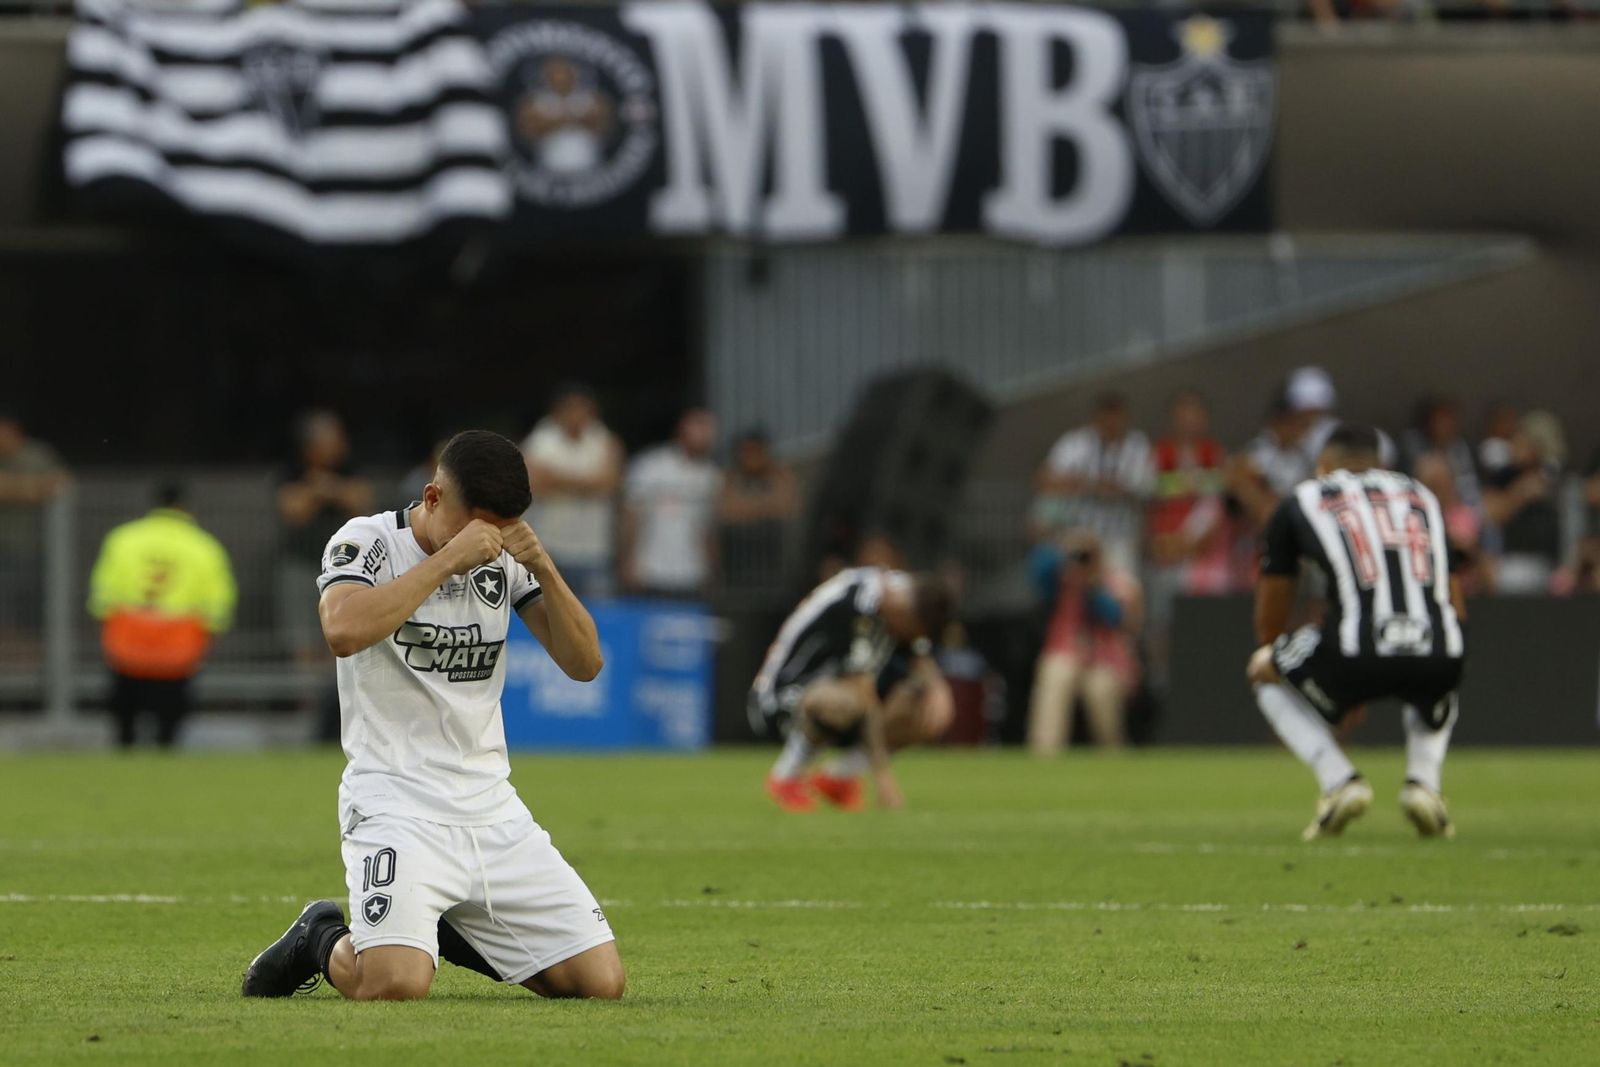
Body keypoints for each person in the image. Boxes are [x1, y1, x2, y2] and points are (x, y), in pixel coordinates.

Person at [241, 431, 622, 1002]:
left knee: (598, 985)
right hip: (395, 803)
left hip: (492, 809)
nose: (490, 542)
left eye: (503, 528)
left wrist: (541, 562)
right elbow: (342, 632)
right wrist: (448, 561)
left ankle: (439, 925)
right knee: (392, 986)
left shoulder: (508, 559)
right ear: (434, 497)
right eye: (479, 527)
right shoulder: (367, 540)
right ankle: (319, 935)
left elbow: (585, 663)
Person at [1247, 424, 1466, 841]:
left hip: (1353, 652)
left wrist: (1320, 684)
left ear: (1324, 466)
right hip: (1440, 653)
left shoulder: (1305, 498)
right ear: (1380, 466)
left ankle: (1339, 781)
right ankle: (1424, 784)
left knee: (1262, 670)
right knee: (1443, 649)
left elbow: (1272, 616)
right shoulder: (1421, 496)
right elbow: (1454, 603)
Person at [750, 567, 954, 811]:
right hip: (782, 698)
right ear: (905, 615)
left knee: (927, 708)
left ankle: (838, 777)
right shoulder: (856, 604)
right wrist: (883, 777)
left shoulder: (905, 599)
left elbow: (925, 669)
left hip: (843, 698)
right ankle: (785, 776)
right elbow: (863, 695)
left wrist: (939, 696)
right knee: (848, 702)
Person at [86, 483, 237, 748]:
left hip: (129, 638)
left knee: (125, 716)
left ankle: (125, 752)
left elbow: (103, 596)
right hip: (178, 642)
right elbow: (218, 604)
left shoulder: (122, 539)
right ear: (184, 506)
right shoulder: (204, 546)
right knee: (169, 720)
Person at [1026, 530, 1142, 753]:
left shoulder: (1113, 582)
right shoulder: (1060, 578)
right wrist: (1064, 553)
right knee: (1056, 676)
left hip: (1103, 660)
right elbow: (1036, 571)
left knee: (1102, 691)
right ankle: (1045, 752)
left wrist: (1092, 584)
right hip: (1064, 653)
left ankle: (1114, 753)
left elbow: (1115, 617)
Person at [1145, 391, 1230, 687]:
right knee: (1162, 626)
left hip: (1202, 559)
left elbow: (1216, 507)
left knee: (1203, 627)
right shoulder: (1156, 454)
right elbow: (1147, 500)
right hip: (1165, 553)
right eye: (1183, 414)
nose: (1189, 421)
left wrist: (1192, 543)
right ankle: (1162, 689)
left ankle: (1204, 686)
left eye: (1195, 414)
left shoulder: (1214, 454)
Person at [275, 411, 373, 664]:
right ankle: (307, 700)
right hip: (301, 564)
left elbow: (360, 500)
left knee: (339, 637)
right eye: (331, 441)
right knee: (303, 641)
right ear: (311, 447)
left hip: (344, 567)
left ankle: (336, 700)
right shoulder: (291, 469)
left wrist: (325, 487)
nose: (339, 446)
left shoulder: (350, 467)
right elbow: (294, 510)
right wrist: (324, 492)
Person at [521, 385, 624, 600]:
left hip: (593, 550)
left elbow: (609, 483)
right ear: (559, 411)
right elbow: (534, 484)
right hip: (548, 547)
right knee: (542, 611)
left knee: (597, 619)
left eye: (583, 409)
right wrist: (588, 483)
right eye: (571, 408)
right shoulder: (540, 440)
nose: (577, 415)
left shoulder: (605, 440)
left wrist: (557, 479)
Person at [1032, 392, 1153, 573]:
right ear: (1097, 418)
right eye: (1106, 418)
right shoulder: (1076, 442)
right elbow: (1045, 480)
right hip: (1079, 532)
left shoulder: (1137, 445)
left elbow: (1144, 487)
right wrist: (1091, 486)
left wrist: (1090, 485)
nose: (1111, 424)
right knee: (1075, 586)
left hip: (1120, 536)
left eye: (1116, 418)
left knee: (1120, 590)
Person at [619, 408, 722, 598]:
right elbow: (631, 516)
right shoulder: (651, 466)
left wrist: (712, 570)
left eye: (710, 430)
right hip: (650, 571)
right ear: (682, 429)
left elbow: (709, 528)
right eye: (700, 427)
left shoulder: (711, 476)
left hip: (692, 573)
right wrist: (628, 561)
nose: (707, 435)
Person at [0, 410, 70, 658]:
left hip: (32, 545)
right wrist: (32, 489)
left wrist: (14, 489)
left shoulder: (36, 455)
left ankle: (30, 658)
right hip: (3, 547)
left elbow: (61, 483)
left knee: (31, 609)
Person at [1481, 413, 1565, 594]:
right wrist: (1519, 494)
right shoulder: (1504, 476)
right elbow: (1489, 514)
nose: (1514, 446)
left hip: (1549, 561)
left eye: (1521, 441)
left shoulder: (1553, 476)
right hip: (1511, 559)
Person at [717, 428, 798, 599]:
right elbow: (727, 511)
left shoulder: (780, 475)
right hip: (737, 572)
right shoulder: (730, 478)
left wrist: (747, 510)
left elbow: (786, 507)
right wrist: (764, 508)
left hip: (776, 570)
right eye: (747, 452)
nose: (752, 458)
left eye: (757, 451)